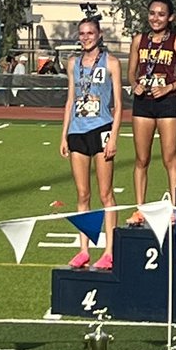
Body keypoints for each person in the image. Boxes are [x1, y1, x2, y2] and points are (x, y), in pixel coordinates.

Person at [62, 15, 123, 271]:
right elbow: (70, 99)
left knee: (105, 193)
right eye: (82, 33)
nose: (86, 37)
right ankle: (84, 249)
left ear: (99, 35)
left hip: (102, 129)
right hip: (77, 131)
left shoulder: (111, 62)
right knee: (83, 194)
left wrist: (114, 136)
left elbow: (119, 105)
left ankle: (109, 250)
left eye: (90, 33)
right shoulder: (73, 63)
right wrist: (63, 134)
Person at [127, 0, 176, 216]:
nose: (156, 18)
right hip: (143, 103)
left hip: (167, 103)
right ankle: (140, 208)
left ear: (170, 17)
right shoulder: (139, 40)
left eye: (161, 14)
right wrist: (135, 83)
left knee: (169, 157)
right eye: (152, 13)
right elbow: (131, 71)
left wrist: (168, 87)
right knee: (141, 159)